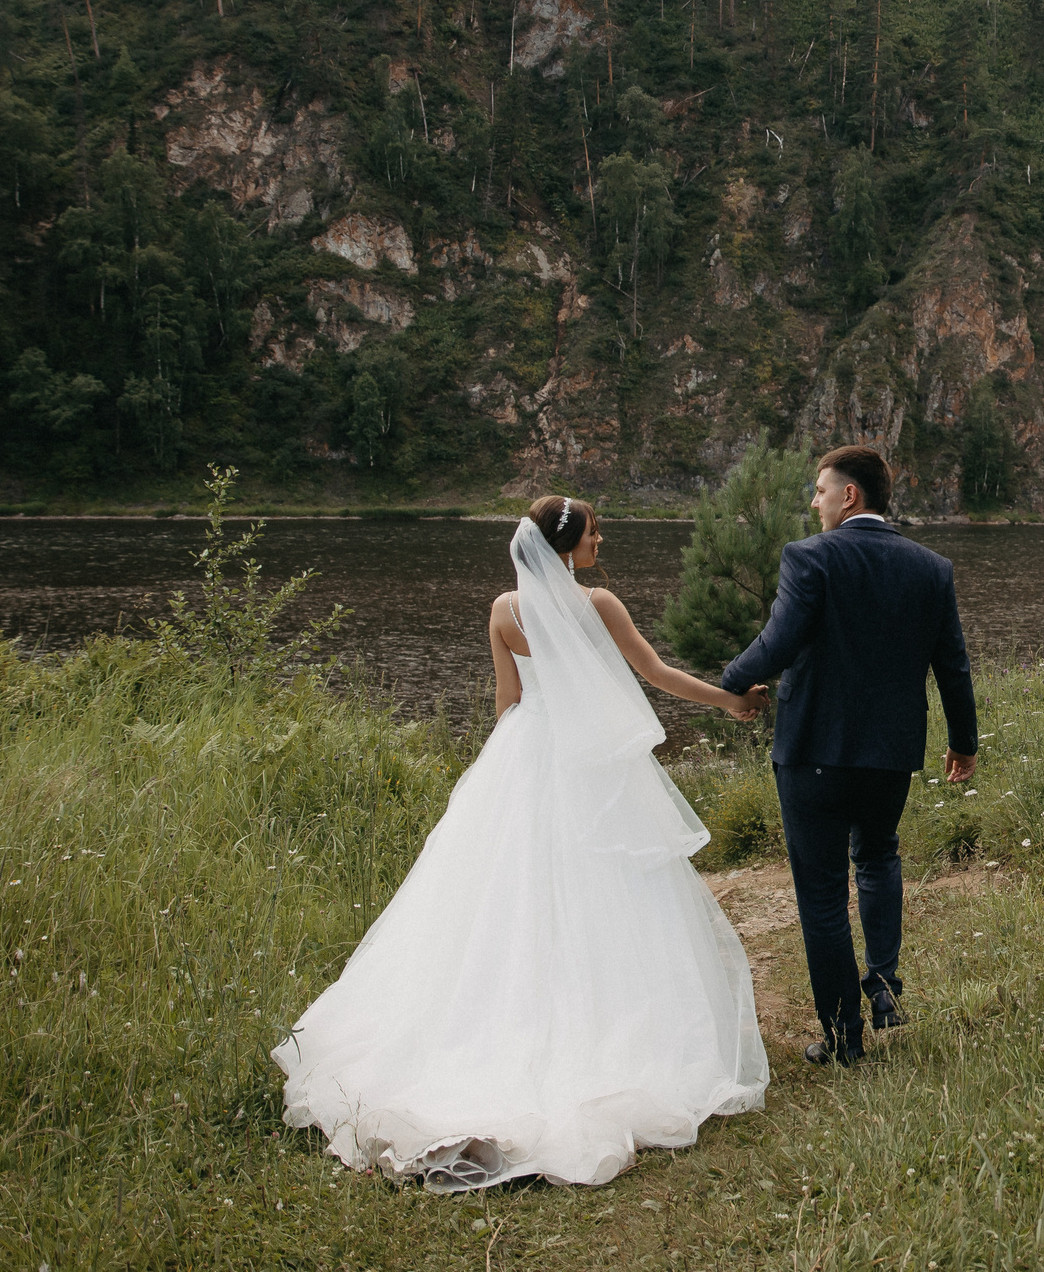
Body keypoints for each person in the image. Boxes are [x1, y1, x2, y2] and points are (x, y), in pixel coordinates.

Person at [275, 496, 770, 1191]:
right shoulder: (598, 604)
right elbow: (655, 676)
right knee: (611, 894)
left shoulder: (505, 610)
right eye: (596, 531)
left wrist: (499, 774)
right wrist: (733, 701)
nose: (603, 540)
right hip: (591, 766)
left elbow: (507, 700)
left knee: (507, 897)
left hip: (526, 754)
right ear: (569, 546)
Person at [721, 444, 979, 1066]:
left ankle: (844, 1038)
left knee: (820, 894)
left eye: (819, 491)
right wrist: (963, 742)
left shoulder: (810, 558)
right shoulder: (931, 567)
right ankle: (884, 988)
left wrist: (729, 683)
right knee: (879, 855)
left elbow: (776, 644)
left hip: (813, 752)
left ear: (849, 496)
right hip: (891, 755)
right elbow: (953, 665)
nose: (814, 502)